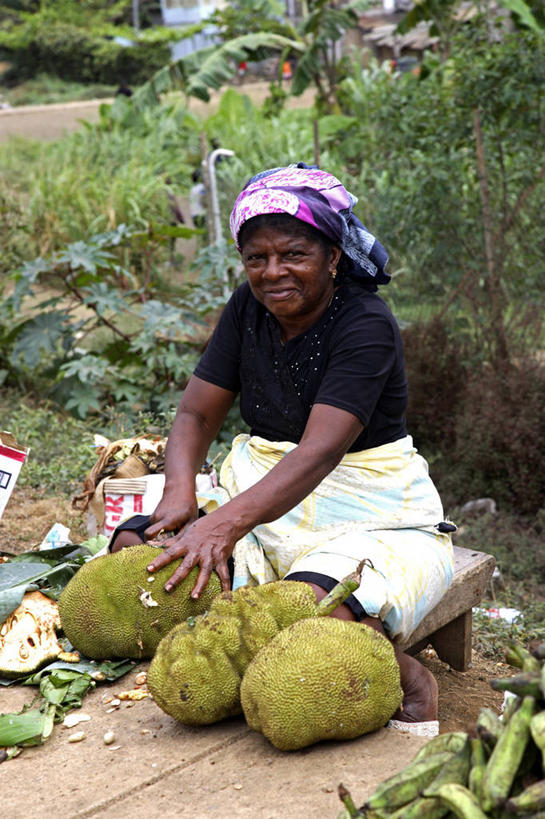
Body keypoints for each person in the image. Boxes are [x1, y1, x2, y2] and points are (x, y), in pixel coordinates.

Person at [111, 164, 455, 734]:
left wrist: (221, 526)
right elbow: (197, 411)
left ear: (333, 256)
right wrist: (178, 497)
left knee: (307, 609)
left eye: (293, 255)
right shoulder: (248, 308)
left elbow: (319, 452)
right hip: (261, 491)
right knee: (136, 548)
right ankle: (260, 647)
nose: (273, 273)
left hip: (370, 513)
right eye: (256, 259)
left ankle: (405, 676)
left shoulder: (365, 323)